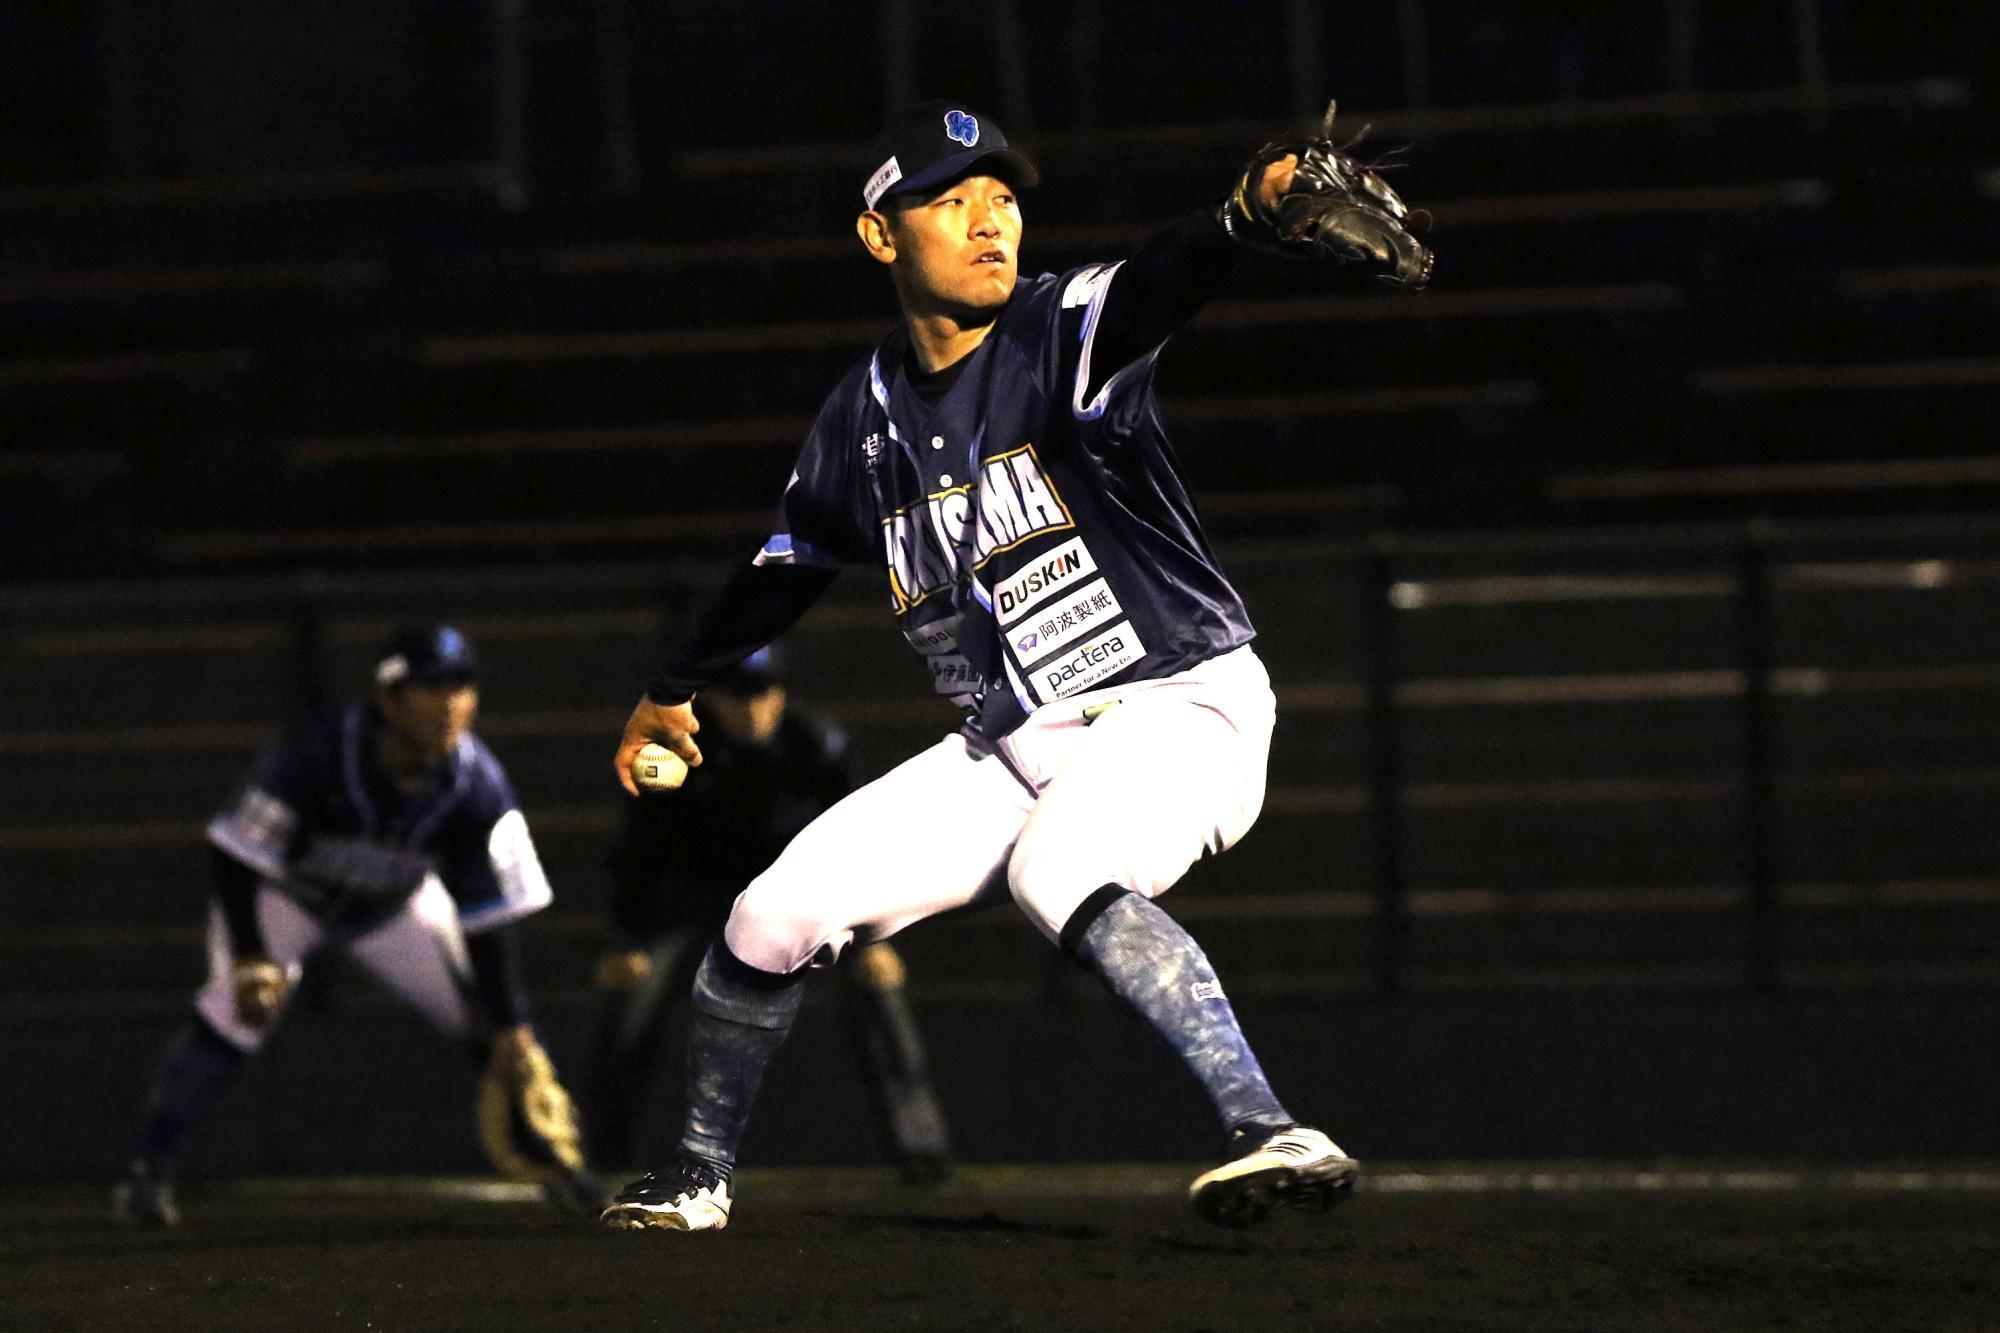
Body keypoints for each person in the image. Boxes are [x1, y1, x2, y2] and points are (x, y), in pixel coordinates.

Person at [600, 99, 1431, 1234]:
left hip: (1178, 703)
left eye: (1003, 199)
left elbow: (1158, 280)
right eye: (952, 201)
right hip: (1007, 743)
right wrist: (669, 688)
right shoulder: (863, 416)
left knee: (1059, 871)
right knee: (768, 914)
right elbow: (784, 567)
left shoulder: (1059, 331)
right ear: (879, 236)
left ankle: (1267, 1124)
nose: (991, 222)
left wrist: (1244, 215)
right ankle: (695, 1177)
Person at [111, 624, 603, 1225]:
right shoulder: (318, 753)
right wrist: (248, 953)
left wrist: (511, 1023)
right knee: (233, 1015)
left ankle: (562, 1170)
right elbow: (237, 854)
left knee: (500, 1035)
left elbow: (490, 918)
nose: (450, 704)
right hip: (286, 900)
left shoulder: (479, 785)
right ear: (389, 700)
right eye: (430, 688)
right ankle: (148, 1175)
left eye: (461, 687)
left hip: (390, 910)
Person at [584, 644, 952, 1182]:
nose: (751, 708)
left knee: (878, 989)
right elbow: (640, 854)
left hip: (791, 900)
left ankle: (923, 1156)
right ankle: (600, 1160)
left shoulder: (817, 746)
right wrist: (627, 941)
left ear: (780, 694)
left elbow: (855, 847)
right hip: (696, 906)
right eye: (738, 695)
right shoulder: (675, 754)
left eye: (763, 693)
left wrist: (874, 942)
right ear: (712, 701)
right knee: (631, 995)